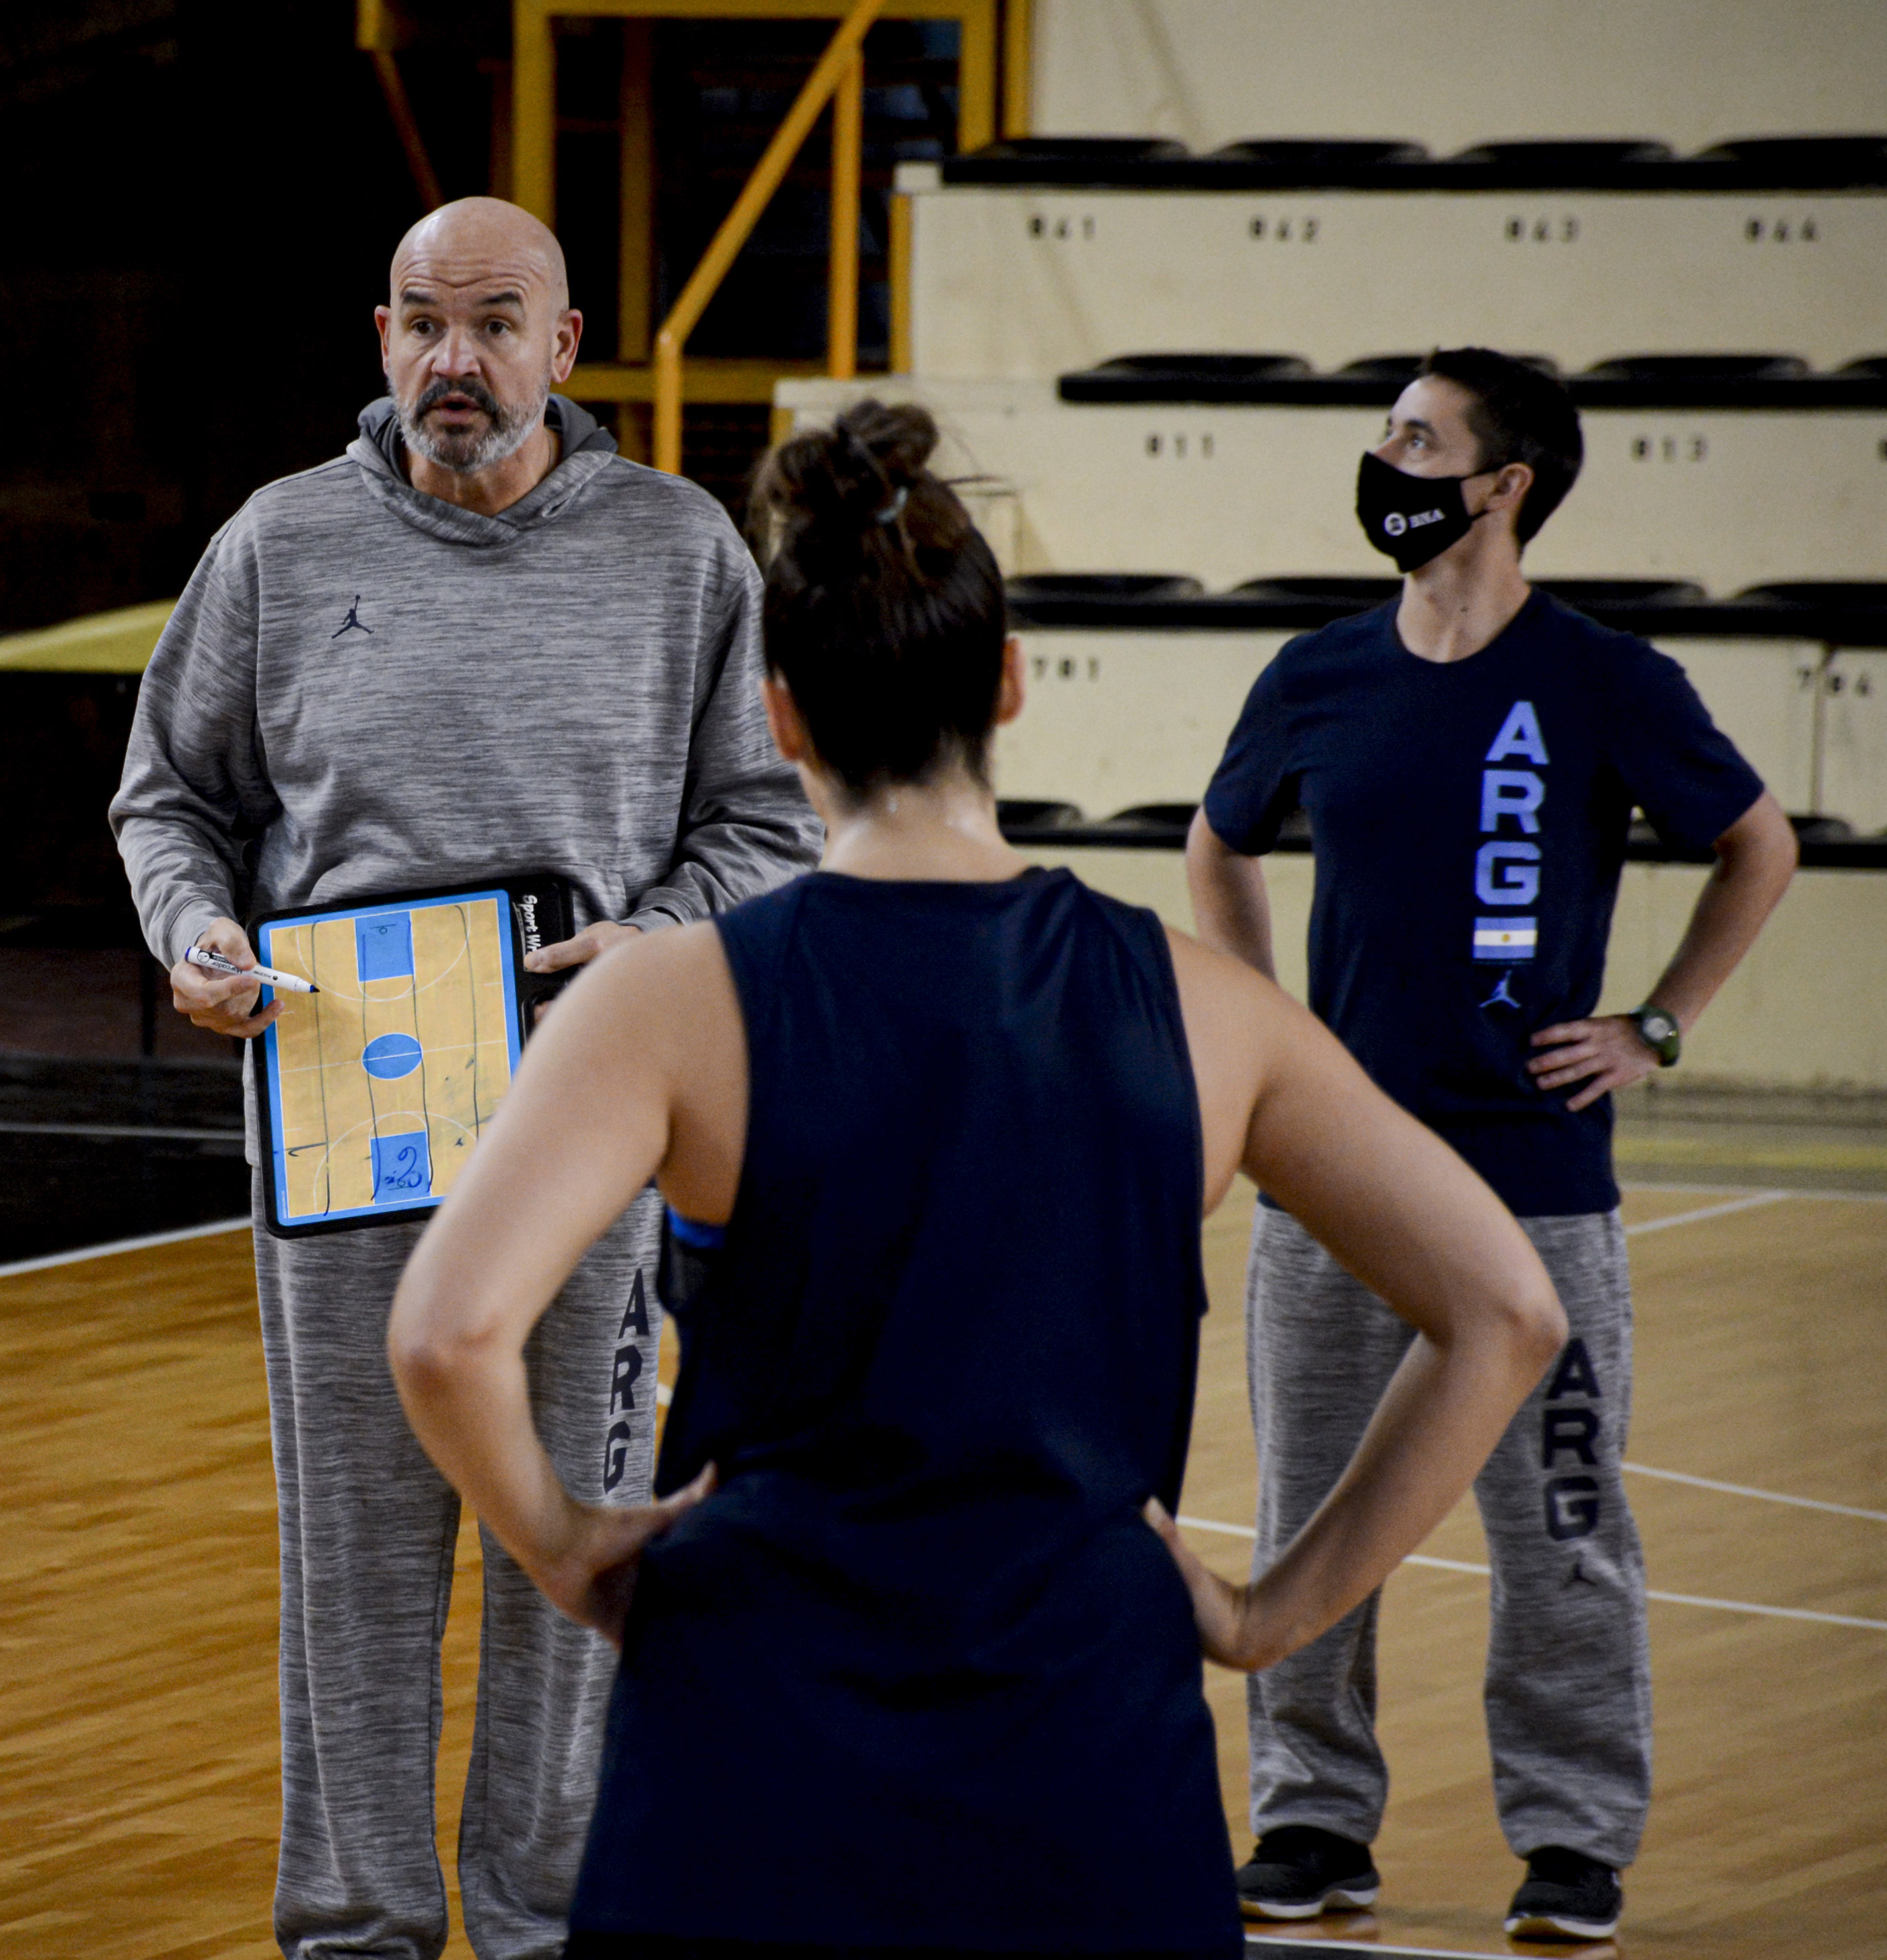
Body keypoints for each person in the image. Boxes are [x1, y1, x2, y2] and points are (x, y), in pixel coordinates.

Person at [385, 400, 1569, 1960]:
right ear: (1007, 683)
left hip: (749, 1740)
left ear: (782, 717)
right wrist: (1266, 1615)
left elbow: (444, 1336)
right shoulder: (1199, 1006)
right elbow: (1504, 1308)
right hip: (1086, 1751)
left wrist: (561, 1543)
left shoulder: (665, 998)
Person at [109, 197, 818, 1960]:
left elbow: (770, 828)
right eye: (423, 321)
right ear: (380, 337)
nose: (454, 359)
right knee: (351, 1568)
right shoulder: (277, 546)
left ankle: (547, 1926)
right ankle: (354, 1930)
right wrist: (196, 940)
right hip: (340, 1137)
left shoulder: (682, 553)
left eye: (496, 322)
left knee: (568, 1559)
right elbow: (166, 801)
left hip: (593, 1139)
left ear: (563, 349)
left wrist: (653, 938)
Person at [1186, 348, 1798, 1942]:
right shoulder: (1316, 671)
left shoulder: (1602, 677)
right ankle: (1312, 1822)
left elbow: (1755, 840)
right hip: (1337, 1181)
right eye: (1383, 428)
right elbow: (1216, 839)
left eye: (1411, 434)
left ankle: (1573, 1836)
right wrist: (1270, 1037)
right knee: (1308, 1515)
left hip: (1534, 1187)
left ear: (1502, 482)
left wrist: (1652, 1025)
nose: (1379, 453)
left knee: (1564, 1526)